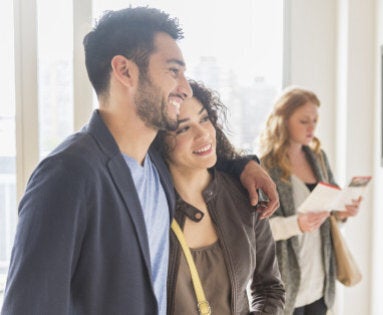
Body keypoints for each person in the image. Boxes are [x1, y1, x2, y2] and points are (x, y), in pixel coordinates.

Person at [1, 7, 278, 314]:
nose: (184, 88)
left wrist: (245, 166)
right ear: (124, 71)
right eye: (173, 71)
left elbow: (198, 159)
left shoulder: (156, 169)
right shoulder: (69, 173)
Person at [155, 80, 285, 314]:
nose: (203, 133)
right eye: (184, 128)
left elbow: (269, 288)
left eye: (204, 119)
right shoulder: (148, 207)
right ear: (158, 140)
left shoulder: (246, 197)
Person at [259, 86, 361, 314]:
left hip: (320, 278)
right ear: (283, 121)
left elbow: (330, 211)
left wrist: (342, 213)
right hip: (287, 281)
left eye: (315, 120)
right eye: (304, 121)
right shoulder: (264, 166)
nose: (311, 127)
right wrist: (297, 224)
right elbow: (259, 228)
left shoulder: (318, 158)